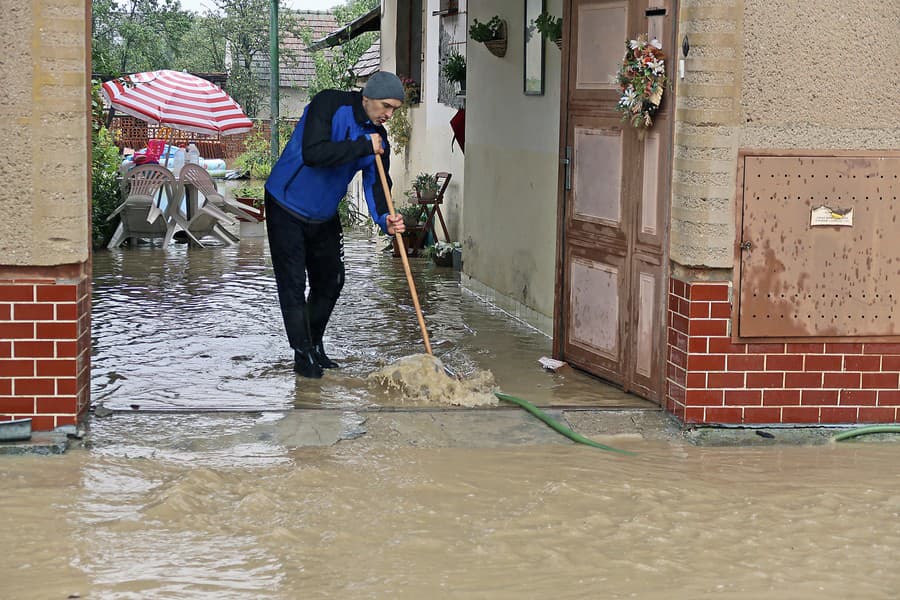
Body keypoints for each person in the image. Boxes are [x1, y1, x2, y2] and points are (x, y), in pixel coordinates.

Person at [264, 71, 407, 378]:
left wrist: (386, 219)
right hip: (285, 205)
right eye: (385, 106)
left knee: (331, 281)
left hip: (324, 215)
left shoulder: (378, 141)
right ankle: (302, 355)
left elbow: (378, 186)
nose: (389, 114)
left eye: (394, 109)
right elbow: (314, 153)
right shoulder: (328, 104)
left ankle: (315, 345)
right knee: (292, 284)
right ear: (366, 97)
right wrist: (363, 146)